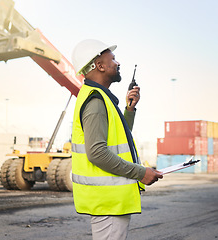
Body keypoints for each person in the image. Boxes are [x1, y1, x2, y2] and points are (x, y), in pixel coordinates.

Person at [70, 39, 163, 240]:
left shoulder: (101, 98)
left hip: (109, 201)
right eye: (112, 59)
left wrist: (129, 109)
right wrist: (140, 173)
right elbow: (97, 153)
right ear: (99, 66)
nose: (118, 63)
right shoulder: (95, 101)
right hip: (108, 202)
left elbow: (119, 135)